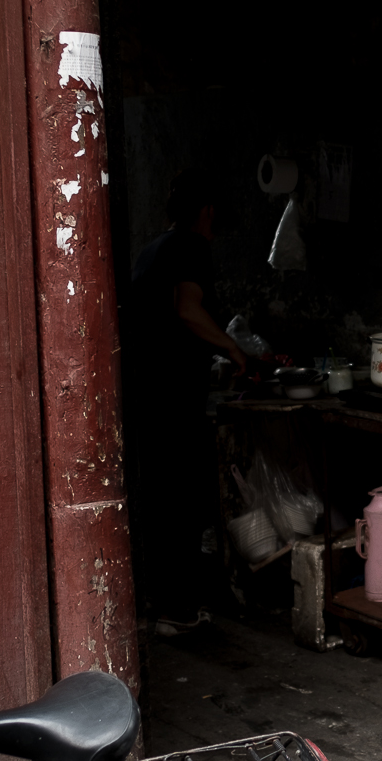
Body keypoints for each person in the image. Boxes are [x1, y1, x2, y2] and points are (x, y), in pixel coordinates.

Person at [126, 171, 248, 624]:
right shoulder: (192, 247)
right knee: (183, 499)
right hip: (172, 397)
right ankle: (177, 609)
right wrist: (233, 348)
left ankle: (161, 603)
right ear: (208, 211)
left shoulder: (151, 250)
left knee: (160, 499)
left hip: (146, 393)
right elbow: (187, 308)